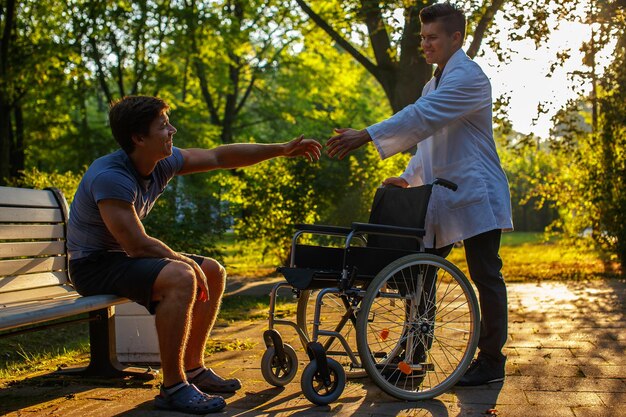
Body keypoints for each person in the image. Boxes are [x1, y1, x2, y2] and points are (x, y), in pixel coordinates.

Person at [67, 95, 322, 414]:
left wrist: (282, 149)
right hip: (93, 265)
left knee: (213, 271)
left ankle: (193, 368)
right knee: (182, 276)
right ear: (138, 138)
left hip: (121, 258)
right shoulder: (111, 176)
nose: (172, 130)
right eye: (163, 126)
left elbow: (218, 157)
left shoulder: (162, 161)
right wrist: (184, 262)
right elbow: (136, 245)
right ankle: (173, 387)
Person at [326, 2, 513, 387]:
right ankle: (413, 358)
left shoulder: (470, 78)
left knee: (485, 274)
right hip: (441, 195)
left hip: (478, 192)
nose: (424, 45)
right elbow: (426, 140)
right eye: (422, 38)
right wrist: (408, 177)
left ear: (455, 38)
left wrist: (366, 135)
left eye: (432, 37)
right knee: (418, 271)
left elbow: (423, 116)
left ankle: (492, 361)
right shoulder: (434, 82)